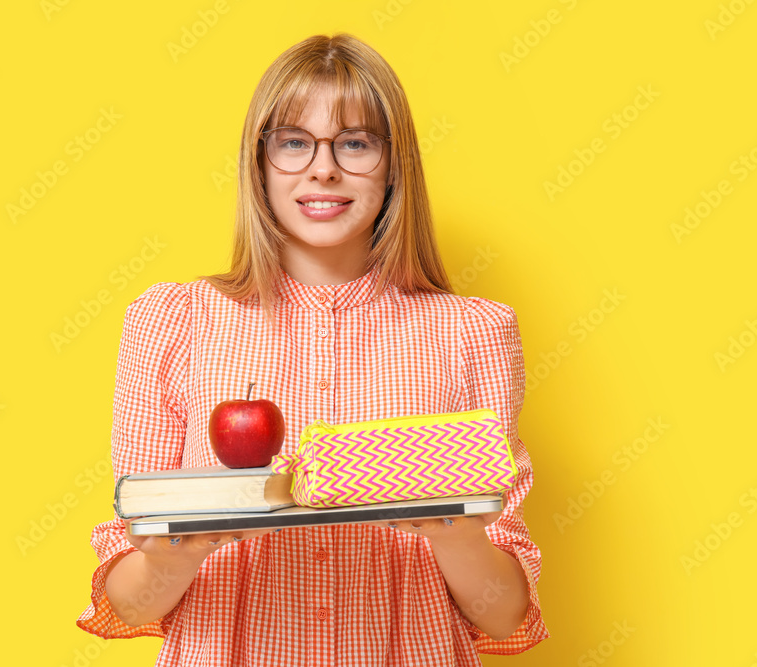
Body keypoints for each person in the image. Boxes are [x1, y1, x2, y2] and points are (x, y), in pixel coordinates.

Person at [76, 32, 549, 666]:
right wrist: (179, 550)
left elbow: (504, 614)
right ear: (259, 163)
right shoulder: (173, 321)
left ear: (394, 166)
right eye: (294, 143)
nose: (322, 168)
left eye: (354, 143)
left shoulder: (474, 334)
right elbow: (129, 606)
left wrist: (452, 529)